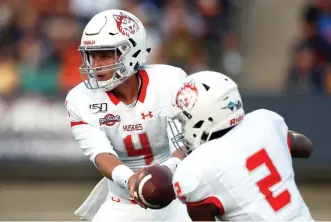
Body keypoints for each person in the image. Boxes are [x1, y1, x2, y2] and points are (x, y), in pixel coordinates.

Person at [65, 9, 191, 222]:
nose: (95, 66)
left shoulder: (170, 81)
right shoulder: (80, 99)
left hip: (176, 194)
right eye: (91, 56)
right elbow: (101, 155)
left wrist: (162, 177)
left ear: (131, 52)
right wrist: (133, 181)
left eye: (105, 55)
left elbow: (182, 143)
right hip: (122, 200)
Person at [169, 71, 314, 221]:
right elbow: (306, 147)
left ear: (204, 116)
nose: (182, 127)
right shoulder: (265, 121)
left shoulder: (196, 168)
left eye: (183, 120)